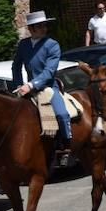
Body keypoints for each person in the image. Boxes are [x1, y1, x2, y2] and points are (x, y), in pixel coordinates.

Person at [12, 10, 70, 150]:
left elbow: (49, 72)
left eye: (45, 25)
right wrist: (18, 84)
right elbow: (16, 66)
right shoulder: (23, 44)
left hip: (49, 87)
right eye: (40, 26)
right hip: (27, 88)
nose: (44, 29)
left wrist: (31, 85)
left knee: (62, 114)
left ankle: (66, 145)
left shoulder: (52, 45)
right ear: (31, 29)